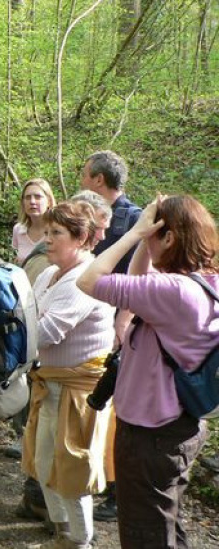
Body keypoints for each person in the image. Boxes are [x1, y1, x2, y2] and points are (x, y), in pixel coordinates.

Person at [77, 195, 218, 549]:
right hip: (180, 425)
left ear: (169, 238)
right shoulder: (205, 284)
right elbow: (135, 287)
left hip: (150, 435)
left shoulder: (173, 292)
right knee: (164, 525)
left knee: (145, 536)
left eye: (154, 232)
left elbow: (89, 280)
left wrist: (132, 233)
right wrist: (144, 237)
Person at [15, 190, 114, 523]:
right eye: (47, 232)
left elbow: (42, 332)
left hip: (78, 391)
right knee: (43, 465)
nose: (47, 240)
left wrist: (13, 330)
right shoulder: (47, 274)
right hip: (49, 382)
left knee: (71, 472)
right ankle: (62, 532)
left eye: (56, 233)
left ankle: (78, 539)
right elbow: (28, 320)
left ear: (82, 238)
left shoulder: (84, 280)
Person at [80, 150, 142, 522]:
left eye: (85, 174)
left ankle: (119, 493)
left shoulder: (133, 221)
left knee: (118, 408)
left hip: (119, 328)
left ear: (99, 180)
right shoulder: (86, 211)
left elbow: (138, 276)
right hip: (90, 322)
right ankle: (99, 477)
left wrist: (125, 318)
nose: (82, 180)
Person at [13, 178, 55, 265]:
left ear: (49, 202)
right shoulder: (18, 230)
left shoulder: (58, 231)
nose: (32, 202)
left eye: (38, 197)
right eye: (28, 198)